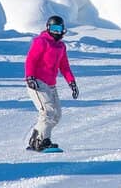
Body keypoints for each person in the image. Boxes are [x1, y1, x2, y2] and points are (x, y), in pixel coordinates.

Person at [24, 15, 79, 152]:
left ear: (63, 29)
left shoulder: (61, 46)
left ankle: (37, 138)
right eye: (53, 28)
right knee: (47, 112)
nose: (56, 31)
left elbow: (64, 67)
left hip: (51, 84)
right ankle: (42, 141)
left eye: (58, 29)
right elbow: (31, 60)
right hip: (37, 82)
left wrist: (72, 82)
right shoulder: (41, 41)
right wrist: (30, 77)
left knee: (56, 115)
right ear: (48, 28)